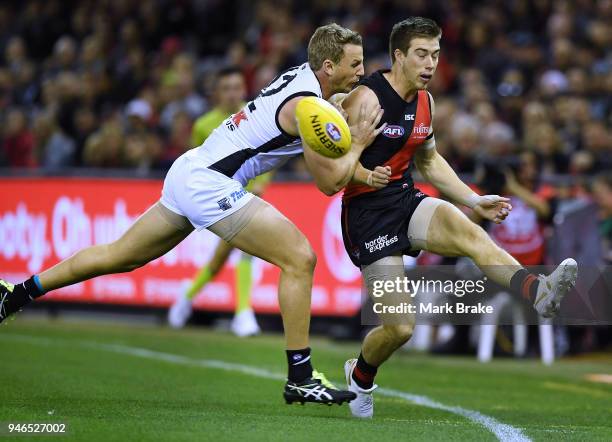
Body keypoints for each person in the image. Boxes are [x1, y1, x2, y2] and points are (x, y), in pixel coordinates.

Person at [0, 23, 386, 406]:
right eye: (355, 64)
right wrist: (358, 147)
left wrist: (353, 145)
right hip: (211, 183)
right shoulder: (307, 108)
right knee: (300, 258)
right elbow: (329, 183)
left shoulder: (305, 83)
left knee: (120, 254)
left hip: (193, 168)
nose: (360, 72)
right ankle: (301, 376)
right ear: (329, 67)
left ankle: (17, 293)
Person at [335, 17, 577, 418]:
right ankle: (360, 375)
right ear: (398, 56)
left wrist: (473, 199)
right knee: (401, 329)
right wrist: (361, 171)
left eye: (435, 54)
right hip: (366, 216)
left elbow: (429, 161)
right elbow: (332, 170)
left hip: (404, 199)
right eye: (421, 54)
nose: (431, 63)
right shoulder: (365, 100)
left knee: (472, 236)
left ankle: (540, 292)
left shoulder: (426, 102)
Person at [168, 67, 269, 336]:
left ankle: (241, 313)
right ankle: (190, 296)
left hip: (248, 195)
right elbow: (196, 162)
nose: (232, 93)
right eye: (226, 88)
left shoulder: (256, 113)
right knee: (221, 259)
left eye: (237, 87)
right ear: (216, 93)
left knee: (243, 249)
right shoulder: (203, 124)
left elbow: (268, 149)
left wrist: (262, 182)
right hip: (216, 198)